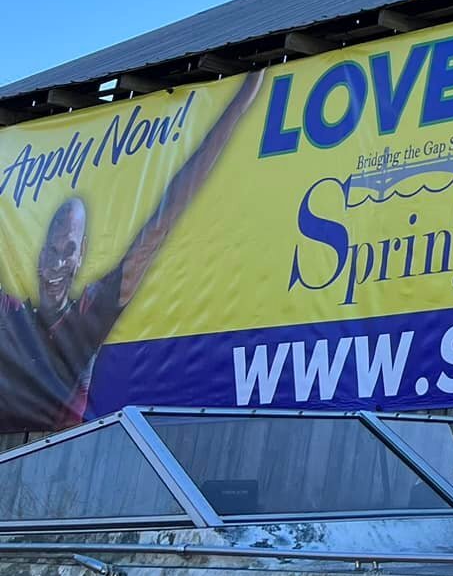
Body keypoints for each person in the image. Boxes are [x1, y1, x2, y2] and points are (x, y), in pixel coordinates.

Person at [0, 71, 263, 432]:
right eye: (54, 250)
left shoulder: (86, 318)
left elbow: (161, 222)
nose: (59, 263)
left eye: (70, 250)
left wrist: (237, 108)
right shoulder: (14, 317)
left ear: (81, 258)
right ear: (41, 254)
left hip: (62, 456)